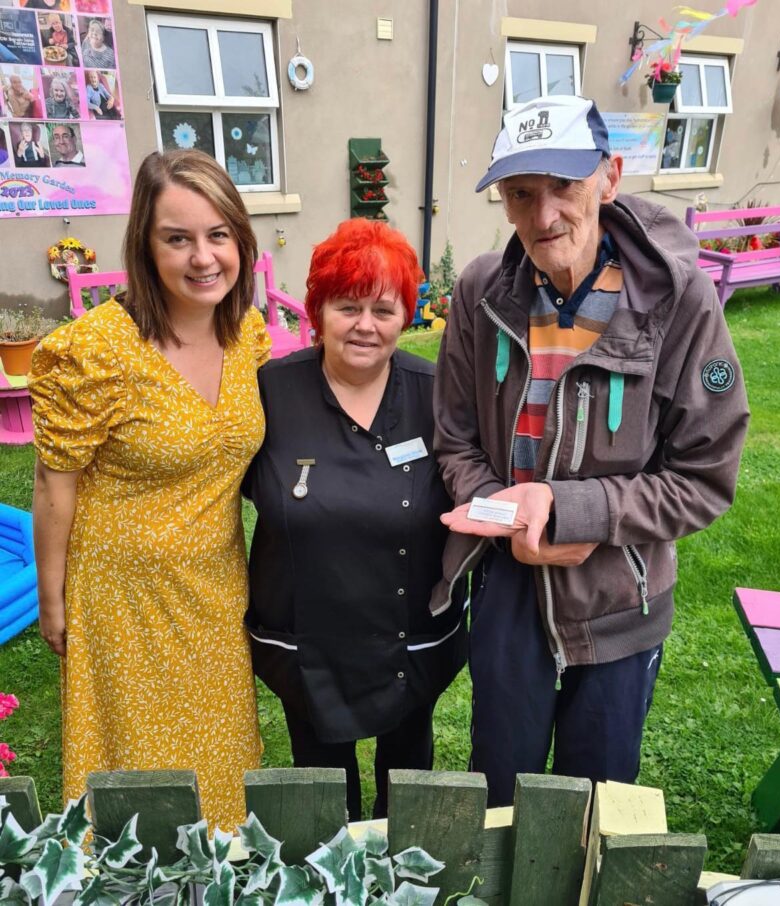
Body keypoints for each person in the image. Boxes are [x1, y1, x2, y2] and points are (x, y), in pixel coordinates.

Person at [433, 95, 750, 807]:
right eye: (521, 194)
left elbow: (703, 475)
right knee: (500, 791)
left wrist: (573, 510)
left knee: (593, 800)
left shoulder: (682, 303)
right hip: (508, 586)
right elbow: (453, 436)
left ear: (609, 176)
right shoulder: (482, 292)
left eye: (564, 187)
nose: (544, 216)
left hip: (619, 594)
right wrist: (508, 517)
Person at [29, 149, 271, 831]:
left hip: (217, 589)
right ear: (145, 243)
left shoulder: (244, 332)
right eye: (178, 238)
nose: (203, 257)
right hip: (122, 598)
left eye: (218, 234)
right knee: (138, 772)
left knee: (220, 761)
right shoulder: (100, 349)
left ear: (240, 242)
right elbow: (53, 483)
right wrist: (54, 600)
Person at [244, 219, 467, 821]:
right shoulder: (269, 393)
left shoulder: (436, 392)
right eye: (347, 307)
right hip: (305, 640)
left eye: (383, 309)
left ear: (406, 316)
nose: (365, 325)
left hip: (410, 634)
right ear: (316, 312)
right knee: (323, 799)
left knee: (408, 784)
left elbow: (479, 478)